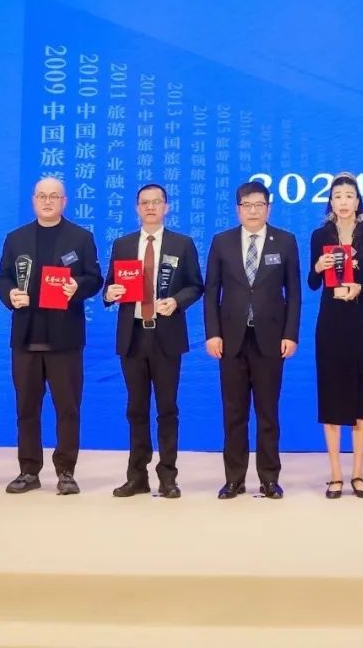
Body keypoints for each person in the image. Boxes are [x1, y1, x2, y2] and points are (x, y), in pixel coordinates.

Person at [0, 178, 103, 495]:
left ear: (64, 201)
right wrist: (10, 294)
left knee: (67, 408)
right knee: (26, 409)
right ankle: (29, 471)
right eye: (42, 196)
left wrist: (77, 287)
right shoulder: (16, 239)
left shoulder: (80, 238)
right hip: (26, 336)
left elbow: (95, 278)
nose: (47, 201)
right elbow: (3, 277)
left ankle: (66, 471)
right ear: (33, 200)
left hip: (65, 337)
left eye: (54, 196)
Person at [103, 184, 203, 499]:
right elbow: (109, 286)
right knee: (136, 409)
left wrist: (176, 301)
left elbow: (196, 285)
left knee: (167, 409)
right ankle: (137, 477)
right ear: (137, 208)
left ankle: (168, 477)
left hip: (166, 336)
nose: (150, 207)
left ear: (166, 207)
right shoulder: (122, 245)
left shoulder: (182, 244)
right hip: (132, 336)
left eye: (156, 202)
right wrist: (110, 293)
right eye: (144, 202)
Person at [204, 180, 301, 499]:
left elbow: (294, 293)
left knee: (268, 412)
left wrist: (290, 334)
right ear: (238, 209)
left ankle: (269, 478)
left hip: (271, 339)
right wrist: (212, 333)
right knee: (234, 413)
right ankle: (234, 478)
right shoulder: (222, 242)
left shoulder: (285, 241)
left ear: (268, 208)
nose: (253, 211)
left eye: (259, 205)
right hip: (230, 340)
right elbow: (211, 292)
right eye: (247, 205)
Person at [307, 174, 363, 499]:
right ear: (331, 201)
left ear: (358, 201)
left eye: (349, 195)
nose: (343, 201)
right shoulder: (319, 235)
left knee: (358, 392)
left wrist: (359, 287)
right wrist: (318, 266)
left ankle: (358, 474)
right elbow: (312, 283)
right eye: (337, 196)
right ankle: (336, 475)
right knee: (330, 392)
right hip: (330, 321)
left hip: (358, 319)